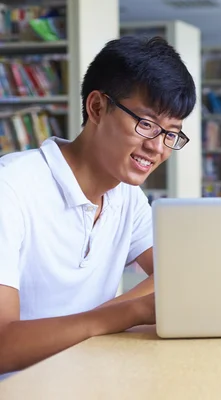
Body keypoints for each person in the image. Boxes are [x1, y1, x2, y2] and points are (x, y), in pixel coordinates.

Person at [0, 36, 196, 375]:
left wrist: (106, 314)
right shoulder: (11, 188)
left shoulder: (127, 197)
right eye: (146, 124)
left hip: (88, 377)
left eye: (171, 133)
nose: (157, 148)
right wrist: (127, 313)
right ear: (96, 108)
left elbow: (181, 275)